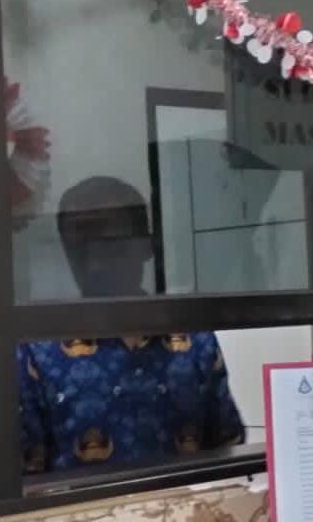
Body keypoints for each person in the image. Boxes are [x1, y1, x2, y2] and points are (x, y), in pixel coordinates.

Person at [18, 176, 245, 473]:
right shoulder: (39, 351)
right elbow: (25, 477)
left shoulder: (194, 341)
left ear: (148, 245)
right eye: (78, 248)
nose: (95, 264)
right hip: (83, 505)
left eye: (110, 246)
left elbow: (228, 451)